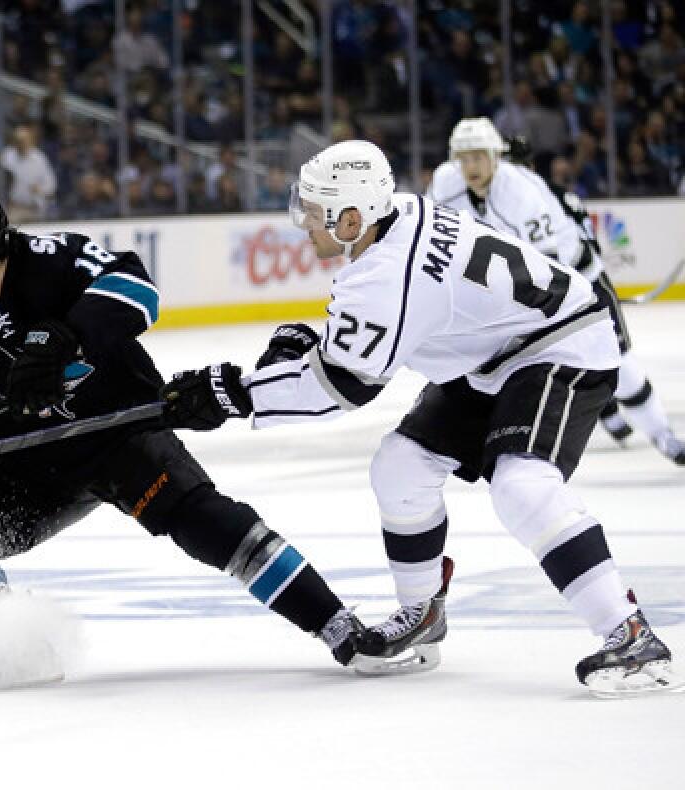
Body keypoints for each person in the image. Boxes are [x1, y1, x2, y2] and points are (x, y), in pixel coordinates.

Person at [160, 140, 680, 697]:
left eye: (313, 211)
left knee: (523, 485)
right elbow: (384, 332)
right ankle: (422, 613)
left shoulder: (387, 273)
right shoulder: (398, 216)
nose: (302, 222)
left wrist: (234, 394)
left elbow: (342, 387)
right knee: (399, 467)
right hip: (499, 354)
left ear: (352, 218)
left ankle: (630, 634)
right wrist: (311, 353)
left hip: (561, 344)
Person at [0, 185, 362, 691]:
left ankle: (340, 627)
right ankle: (19, 648)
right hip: (31, 465)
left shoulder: (51, 260)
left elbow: (138, 289)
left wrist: (67, 339)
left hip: (119, 435)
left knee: (208, 523)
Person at [430, 118, 684, 466]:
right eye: (464, 157)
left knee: (620, 365)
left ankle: (663, 435)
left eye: (478, 157)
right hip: (525, 292)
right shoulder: (446, 184)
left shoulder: (521, 194)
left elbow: (548, 268)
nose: (470, 166)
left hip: (579, 283)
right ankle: (599, 412)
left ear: (495, 157)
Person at [505, 132, 684, 465]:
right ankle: (642, 425)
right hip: (565, 290)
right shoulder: (540, 198)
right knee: (589, 360)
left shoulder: (540, 198)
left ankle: (640, 425)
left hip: (582, 286)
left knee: (608, 360)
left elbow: (581, 249)